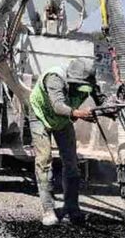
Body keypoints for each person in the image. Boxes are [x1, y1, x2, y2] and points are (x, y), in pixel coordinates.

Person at [28, 58, 98, 227]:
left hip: (64, 121)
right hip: (41, 116)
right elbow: (58, 106)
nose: (78, 90)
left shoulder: (89, 81)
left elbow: (100, 99)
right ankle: (48, 209)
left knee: (72, 162)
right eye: (75, 85)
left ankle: (72, 206)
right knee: (44, 162)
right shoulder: (55, 78)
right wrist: (79, 113)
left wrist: (109, 110)